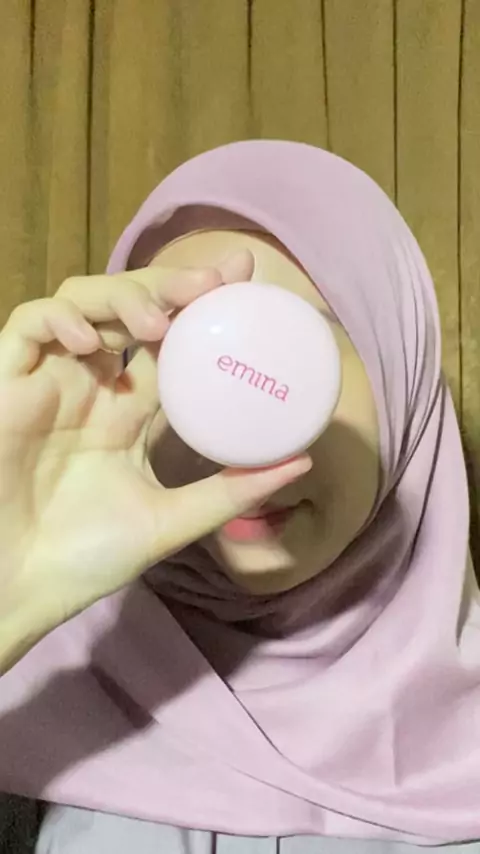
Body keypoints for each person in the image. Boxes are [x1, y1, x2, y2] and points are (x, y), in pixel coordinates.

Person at [0, 140, 479, 853]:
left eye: (290, 346)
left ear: (399, 375)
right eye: (190, 353)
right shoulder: (32, 706)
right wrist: (11, 591)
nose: (236, 435)